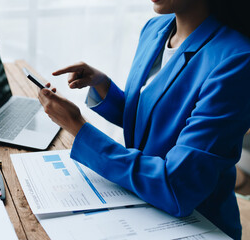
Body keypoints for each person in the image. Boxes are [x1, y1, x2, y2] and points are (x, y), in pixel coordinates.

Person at [38, 0, 250, 239]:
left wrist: (78, 127)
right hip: (141, 204)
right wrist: (103, 86)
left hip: (196, 224)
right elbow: (156, 121)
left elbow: (177, 186)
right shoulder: (155, 29)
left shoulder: (238, 59)